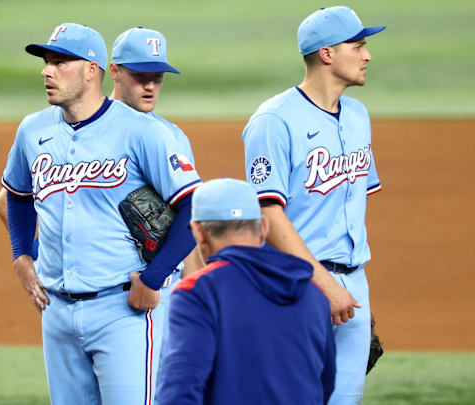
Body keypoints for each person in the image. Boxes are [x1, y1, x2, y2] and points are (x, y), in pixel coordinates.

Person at [1, 23, 201, 404]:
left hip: (122, 311)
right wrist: (21, 255)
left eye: (60, 62)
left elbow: (194, 206)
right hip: (56, 312)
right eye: (46, 62)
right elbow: (16, 196)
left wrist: (155, 277)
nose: (47, 71)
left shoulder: (145, 133)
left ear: (92, 69)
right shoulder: (32, 131)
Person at [242, 6, 385, 404]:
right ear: (326, 54)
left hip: (352, 284)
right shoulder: (274, 121)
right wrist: (326, 283)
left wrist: (350, 286)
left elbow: (353, 202)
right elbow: (267, 214)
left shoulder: (357, 115)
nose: (367, 55)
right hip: (298, 284)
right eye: (357, 46)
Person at [0, 26, 203, 274]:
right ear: (114, 71)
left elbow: (188, 217)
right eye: (140, 75)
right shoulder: (68, 121)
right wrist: (44, 261)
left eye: (157, 77)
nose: (150, 86)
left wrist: (185, 288)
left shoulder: (168, 136)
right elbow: (7, 201)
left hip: (152, 288)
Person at [157, 178, 336, 404]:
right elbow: (324, 383)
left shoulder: (199, 292)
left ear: (199, 234)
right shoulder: (312, 293)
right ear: (264, 228)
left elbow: (180, 391)